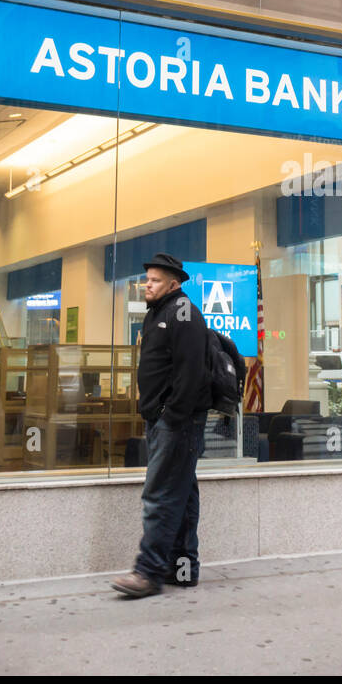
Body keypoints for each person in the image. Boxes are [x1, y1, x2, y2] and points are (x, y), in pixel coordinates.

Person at [111, 253, 212, 598]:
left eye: (154, 280)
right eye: (146, 279)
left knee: (160, 495)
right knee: (181, 495)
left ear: (173, 284)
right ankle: (182, 569)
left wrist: (171, 415)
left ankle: (148, 572)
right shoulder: (157, 314)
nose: (147, 285)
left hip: (177, 424)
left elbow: (190, 373)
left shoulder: (183, 313)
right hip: (162, 420)